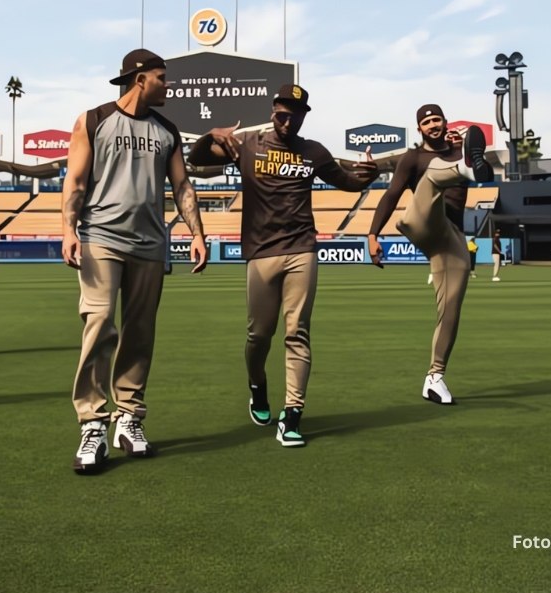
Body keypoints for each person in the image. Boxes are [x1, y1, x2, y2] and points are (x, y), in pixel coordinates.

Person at [190, 84, 378, 447]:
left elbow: (349, 183)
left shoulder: (314, 152)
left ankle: (292, 415)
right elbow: (199, 160)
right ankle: (257, 387)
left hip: (301, 248)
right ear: (273, 109)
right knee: (259, 335)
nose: (287, 118)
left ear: (305, 115)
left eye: (295, 113)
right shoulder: (247, 143)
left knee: (297, 332)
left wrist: (368, 173)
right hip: (261, 252)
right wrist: (209, 135)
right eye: (281, 111)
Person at [62, 48, 208, 473]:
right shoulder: (94, 119)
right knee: (100, 321)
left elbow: (182, 187)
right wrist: (68, 229)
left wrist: (197, 235)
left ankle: (129, 417)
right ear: (139, 78)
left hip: (150, 243)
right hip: (101, 238)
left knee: (140, 332)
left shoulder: (167, 130)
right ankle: (92, 422)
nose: (169, 85)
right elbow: (74, 180)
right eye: (163, 77)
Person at [366, 105, 493, 405]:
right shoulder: (413, 158)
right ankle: (463, 170)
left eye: (437, 119)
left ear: (445, 123)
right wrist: (372, 234)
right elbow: (391, 194)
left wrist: (463, 152)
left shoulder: (459, 150)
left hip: (451, 237)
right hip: (423, 221)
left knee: (450, 308)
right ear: (419, 128)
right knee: (433, 177)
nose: (433, 125)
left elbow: (480, 171)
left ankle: (434, 378)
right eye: (426, 122)